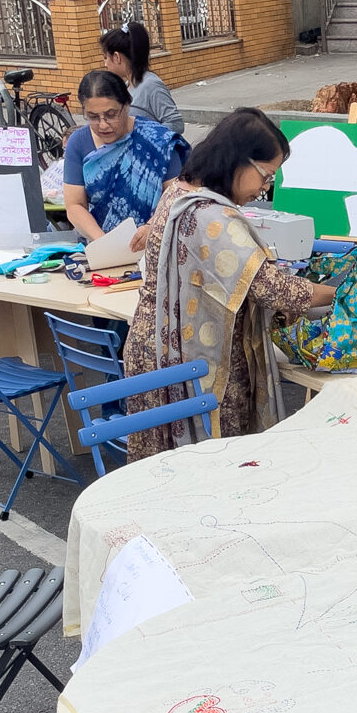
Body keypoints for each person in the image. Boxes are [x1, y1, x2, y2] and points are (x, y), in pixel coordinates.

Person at [123, 108, 336, 456]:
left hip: (154, 347)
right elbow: (274, 289)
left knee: (161, 466)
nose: (265, 189)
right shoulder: (210, 215)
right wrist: (340, 292)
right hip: (187, 360)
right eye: (266, 176)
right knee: (208, 465)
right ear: (238, 161)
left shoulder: (179, 191)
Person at [62, 69, 188, 248]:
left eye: (111, 114)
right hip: (102, 248)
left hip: (158, 243)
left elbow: (178, 196)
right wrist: (104, 241)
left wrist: (152, 227)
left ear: (127, 104)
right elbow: (75, 205)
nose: (103, 124)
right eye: (93, 117)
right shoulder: (79, 142)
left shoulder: (157, 141)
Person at [98, 22, 185, 135]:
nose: (105, 64)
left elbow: (176, 124)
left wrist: (145, 138)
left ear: (117, 57)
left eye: (106, 58)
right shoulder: (126, 86)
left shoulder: (151, 85)